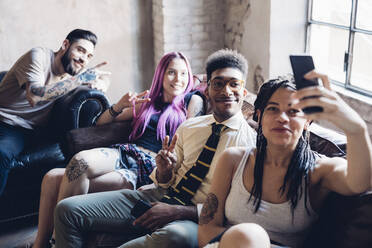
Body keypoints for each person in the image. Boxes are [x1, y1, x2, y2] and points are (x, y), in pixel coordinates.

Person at [52, 49, 256, 248]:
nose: (226, 91)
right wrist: (164, 171)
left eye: (234, 84)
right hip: (158, 196)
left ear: (244, 91)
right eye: (218, 84)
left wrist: (177, 211)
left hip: (195, 217)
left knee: (175, 236)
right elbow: (165, 181)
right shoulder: (190, 127)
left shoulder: (251, 145)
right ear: (208, 89)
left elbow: (237, 208)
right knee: (66, 209)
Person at [32, 51, 205, 248]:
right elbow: (101, 122)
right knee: (59, 173)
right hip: (126, 152)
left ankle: (57, 240)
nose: (178, 79)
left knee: (59, 178)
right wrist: (119, 106)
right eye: (172, 72)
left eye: (184, 74)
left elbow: (194, 133)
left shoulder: (192, 100)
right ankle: (40, 244)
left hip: (148, 168)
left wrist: (160, 183)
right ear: (161, 75)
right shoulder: (148, 102)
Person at [198, 73, 372, 248]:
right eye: (273, 109)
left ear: (307, 121)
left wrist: (356, 129)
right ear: (260, 115)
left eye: (293, 111)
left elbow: (361, 182)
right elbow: (206, 230)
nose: (282, 118)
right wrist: (244, 241)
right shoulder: (233, 159)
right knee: (249, 235)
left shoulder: (319, 170)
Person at [0, 29, 110, 196]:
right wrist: (82, 79)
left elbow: (99, 79)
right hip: (3, 116)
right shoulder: (39, 56)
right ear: (65, 45)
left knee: (2, 153)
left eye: (89, 56)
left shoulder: (74, 73)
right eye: (80, 50)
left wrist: (103, 83)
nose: (83, 59)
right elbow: (35, 96)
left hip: (18, 129)